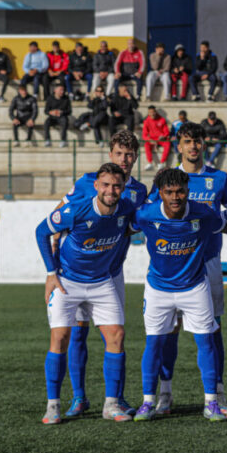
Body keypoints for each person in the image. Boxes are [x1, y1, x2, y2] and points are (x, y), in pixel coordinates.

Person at [34, 163, 136, 424]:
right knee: (61, 338)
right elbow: (41, 231)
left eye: (116, 186)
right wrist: (50, 272)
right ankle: (53, 405)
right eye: (105, 185)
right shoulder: (76, 210)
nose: (111, 190)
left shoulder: (127, 209)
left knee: (117, 336)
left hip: (102, 282)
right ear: (96, 186)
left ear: (123, 188)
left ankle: (111, 404)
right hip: (67, 283)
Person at [148, 122, 227, 416]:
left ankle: (217, 392)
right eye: (187, 141)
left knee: (212, 330)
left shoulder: (219, 178)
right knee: (168, 331)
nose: (193, 147)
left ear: (204, 144)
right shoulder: (165, 178)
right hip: (172, 266)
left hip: (208, 262)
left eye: (198, 141)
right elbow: (151, 214)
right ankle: (165, 393)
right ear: (179, 145)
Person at [61, 130, 149, 418]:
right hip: (78, 274)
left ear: (136, 156)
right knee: (77, 335)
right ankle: (79, 397)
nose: (124, 159)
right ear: (110, 154)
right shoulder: (88, 182)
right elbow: (59, 215)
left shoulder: (139, 191)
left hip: (111, 274)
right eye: (119, 153)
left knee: (115, 336)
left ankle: (116, 399)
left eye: (129, 154)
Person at [129, 168, 227, 422]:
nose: (176, 197)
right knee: (154, 343)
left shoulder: (204, 214)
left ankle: (212, 403)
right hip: (158, 289)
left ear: (188, 191)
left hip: (195, 287)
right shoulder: (146, 215)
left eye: (181, 191)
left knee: (206, 342)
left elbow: (225, 226)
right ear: (160, 193)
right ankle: (149, 401)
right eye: (169, 192)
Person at [141, 105, 171, 170]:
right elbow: (144, 135)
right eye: (150, 112)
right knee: (146, 145)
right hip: (152, 139)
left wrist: (163, 136)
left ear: (156, 112)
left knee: (167, 144)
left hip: (161, 139)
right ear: (148, 113)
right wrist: (150, 139)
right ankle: (150, 163)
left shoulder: (162, 119)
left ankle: (162, 163)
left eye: (153, 112)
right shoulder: (146, 121)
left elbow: (166, 132)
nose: (152, 114)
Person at [42, 83, 71, 148]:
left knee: (65, 121)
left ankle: (63, 140)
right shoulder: (50, 98)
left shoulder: (66, 98)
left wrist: (61, 112)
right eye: (60, 90)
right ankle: (47, 140)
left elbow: (69, 111)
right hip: (52, 118)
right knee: (46, 123)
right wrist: (51, 112)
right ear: (55, 90)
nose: (62, 92)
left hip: (62, 117)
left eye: (63, 90)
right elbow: (46, 111)